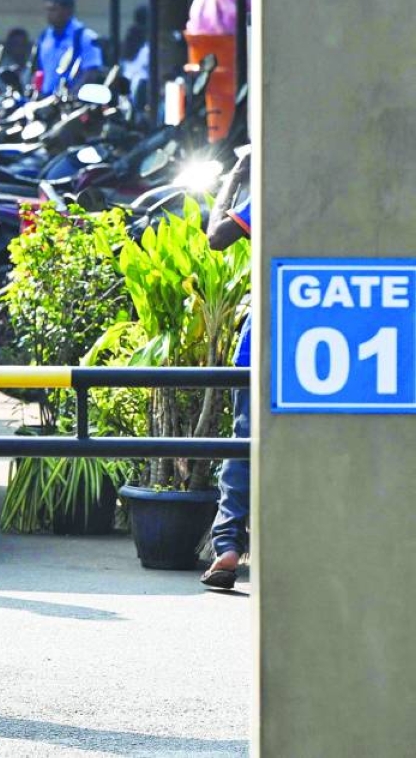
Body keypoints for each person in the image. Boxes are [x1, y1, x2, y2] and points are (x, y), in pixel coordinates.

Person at [201, 149, 251, 590]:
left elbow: (215, 237)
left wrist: (235, 175)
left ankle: (229, 548)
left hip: (269, 339)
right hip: (353, 347)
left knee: (244, 445)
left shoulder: (282, 193)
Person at [32, 0, 105, 98]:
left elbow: (91, 71)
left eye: (54, 10)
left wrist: (72, 95)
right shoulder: (45, 36)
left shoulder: (84, 37)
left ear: (68, 11)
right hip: (45, 97)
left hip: (70, 100)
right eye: (47, 10)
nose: (49, 14)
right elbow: (38, 69)